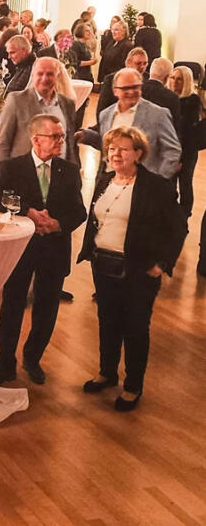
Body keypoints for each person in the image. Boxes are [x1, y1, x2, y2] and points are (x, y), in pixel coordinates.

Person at [77, 126, 186, 412]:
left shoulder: (156, 186)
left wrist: (162, 264)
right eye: (112, 148)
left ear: (138, 153)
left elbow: (178, 228)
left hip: (138, 270)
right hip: (103, 265)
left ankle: (133, 385)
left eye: (123, 149)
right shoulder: (105, 180)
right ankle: (107, 372)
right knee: (107, 321)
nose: (115, 154)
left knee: (135, 328)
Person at [0, 115, 86, 386]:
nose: (60, 141)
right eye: (54, 136)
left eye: (61, 136)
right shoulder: (12, 167)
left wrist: (57, 224)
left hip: (54, 247)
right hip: (21, 247)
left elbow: (79, 211)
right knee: (13, 305)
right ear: (35, 139)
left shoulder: (69, 170)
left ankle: (33, 358)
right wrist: (27, 212)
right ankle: (6, 363)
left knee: (47, 307)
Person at [95, 68, 181, 180]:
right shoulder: (105, 115)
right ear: (115, 91)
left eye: (135, 87)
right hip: (112, 181)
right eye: (125, 88)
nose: (131, 92)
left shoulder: (158, 114)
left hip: (144, 185)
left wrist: (159, 180)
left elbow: (172, 151)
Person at [0, 57, 78, 164]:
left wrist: (75, 168)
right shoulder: (16, 101)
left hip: (59, 170)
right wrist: (4, 171)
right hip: (24, 170)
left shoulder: (68, 104)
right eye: (40, 74)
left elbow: (70, 142)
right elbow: (3, 142)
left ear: (57, 76)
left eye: (50, 74)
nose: (44, 78)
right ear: (32, 75)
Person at [168, 66, 202, 218]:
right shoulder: (168, 98)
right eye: (173, 78)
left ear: (186, 81)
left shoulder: (193, 100)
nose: (175, 82)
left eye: (179, 79)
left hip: (187, 151)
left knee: (185, 184)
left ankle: (184, 216)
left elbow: (186, 132)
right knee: (169, 184)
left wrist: (180, 159)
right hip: (171, 150)